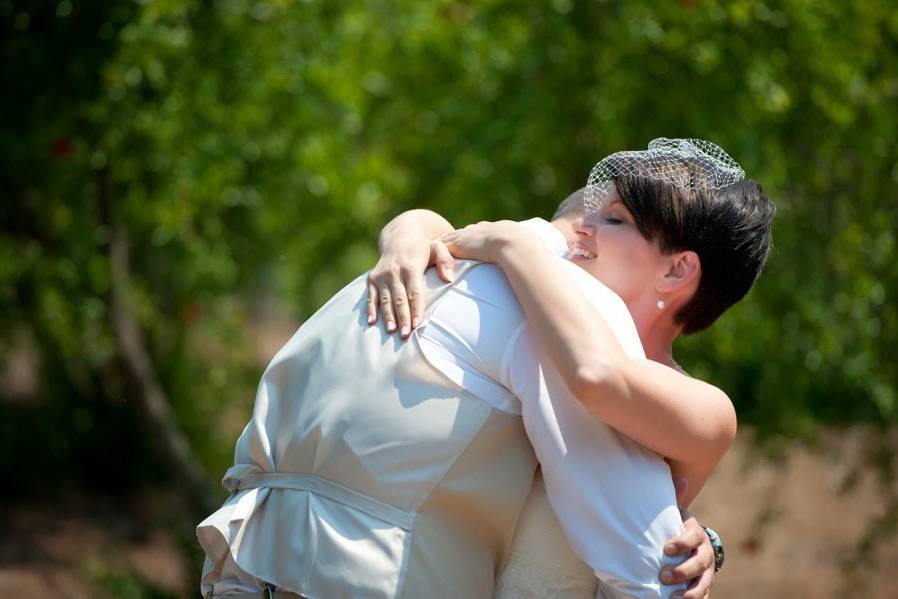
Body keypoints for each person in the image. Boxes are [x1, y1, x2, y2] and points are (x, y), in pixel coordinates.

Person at [196, 139, 771, 598]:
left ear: (676, 273)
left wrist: (511, 243)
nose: (581, 231)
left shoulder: (687, 396)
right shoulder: (551, 320)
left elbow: (605, 390)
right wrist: (415, 226)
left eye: (614, 219)